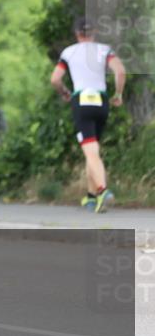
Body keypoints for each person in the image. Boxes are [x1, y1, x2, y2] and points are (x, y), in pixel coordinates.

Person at [50, 17, 127, 213]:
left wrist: (64, 92)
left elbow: (55, 79)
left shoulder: (69, 52)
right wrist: (118, 94)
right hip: (101, 101)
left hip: (82, 100)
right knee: (92, 150)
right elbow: (120, 71)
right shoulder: (104, 49)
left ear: (77, 34)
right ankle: (91, 197)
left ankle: (103, 191)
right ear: (94, 33)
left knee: (91, 151)